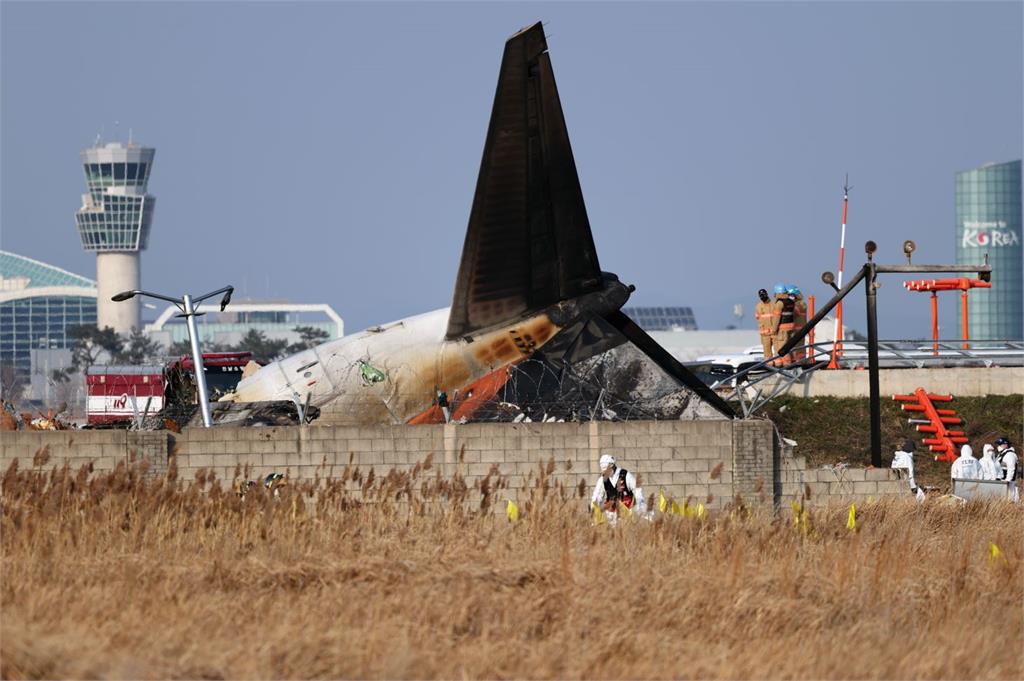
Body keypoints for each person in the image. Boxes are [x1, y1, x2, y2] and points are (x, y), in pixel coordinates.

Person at [771, 283, 795, 366]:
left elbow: (776, 318)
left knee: (783, 348)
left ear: (779, 293)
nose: (775, 295)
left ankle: (786, 365)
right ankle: (787, 363)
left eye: (776, 293)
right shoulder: (791, 301)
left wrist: (774, 330)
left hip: (782, 328)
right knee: (789, 346)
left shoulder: (779, 303)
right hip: (791, 327)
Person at [754, 289, 776, 362]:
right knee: (767, 353)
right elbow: (758, 318)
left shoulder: (774, 304)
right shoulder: (758, 306)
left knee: (778, 350)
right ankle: (769, 366)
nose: (762, 297)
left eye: (763, 295)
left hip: (774, 332)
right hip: (765, 334)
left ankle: (779, 366)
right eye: (761, 296)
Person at [787, 285, 807, 362]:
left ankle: (797, 361)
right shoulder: (803, 304)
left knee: (796, 347)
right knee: (800, 347)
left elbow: (792, 313)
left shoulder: (797, 305)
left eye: (789, 295)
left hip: (796, 330)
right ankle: (801, 360)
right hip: (801, 329)